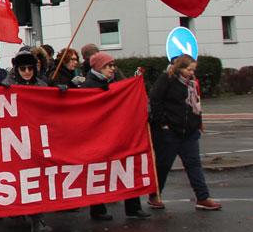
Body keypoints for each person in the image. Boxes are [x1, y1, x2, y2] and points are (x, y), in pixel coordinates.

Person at [148, 55, 221, 211]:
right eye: (189, 69)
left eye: (193, 69)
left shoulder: (192, 84)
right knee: (163, 165)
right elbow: (155, 100)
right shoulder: (166, 79)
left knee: (194, 164)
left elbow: (196, 102)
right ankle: (154, 195)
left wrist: (198, 121)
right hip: (169, 132)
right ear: (179, 68)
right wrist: (163, 123)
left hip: (189, 131)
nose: (191, 72)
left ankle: (202, 197)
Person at [83, 53, 150, 222]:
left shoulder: (112, 82)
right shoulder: (89, 85)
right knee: (98, 173)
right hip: (98, 136)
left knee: (127, 167)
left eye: (113, 65)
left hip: (117, 133)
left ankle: (133, 207)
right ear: (98, 67)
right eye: (109, 66)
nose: (113, 69)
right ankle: (97, 209)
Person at [4, 51, 53, 232]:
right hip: (15, 140)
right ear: (17, 69)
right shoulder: (6, 86)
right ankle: (18, 211)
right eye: (23, 68)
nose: (26, 72)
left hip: (36, 138)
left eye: (30, 68)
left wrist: (62, 93)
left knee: (34, 179)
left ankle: (36, 217)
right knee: (18, 178)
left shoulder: (41, 85)